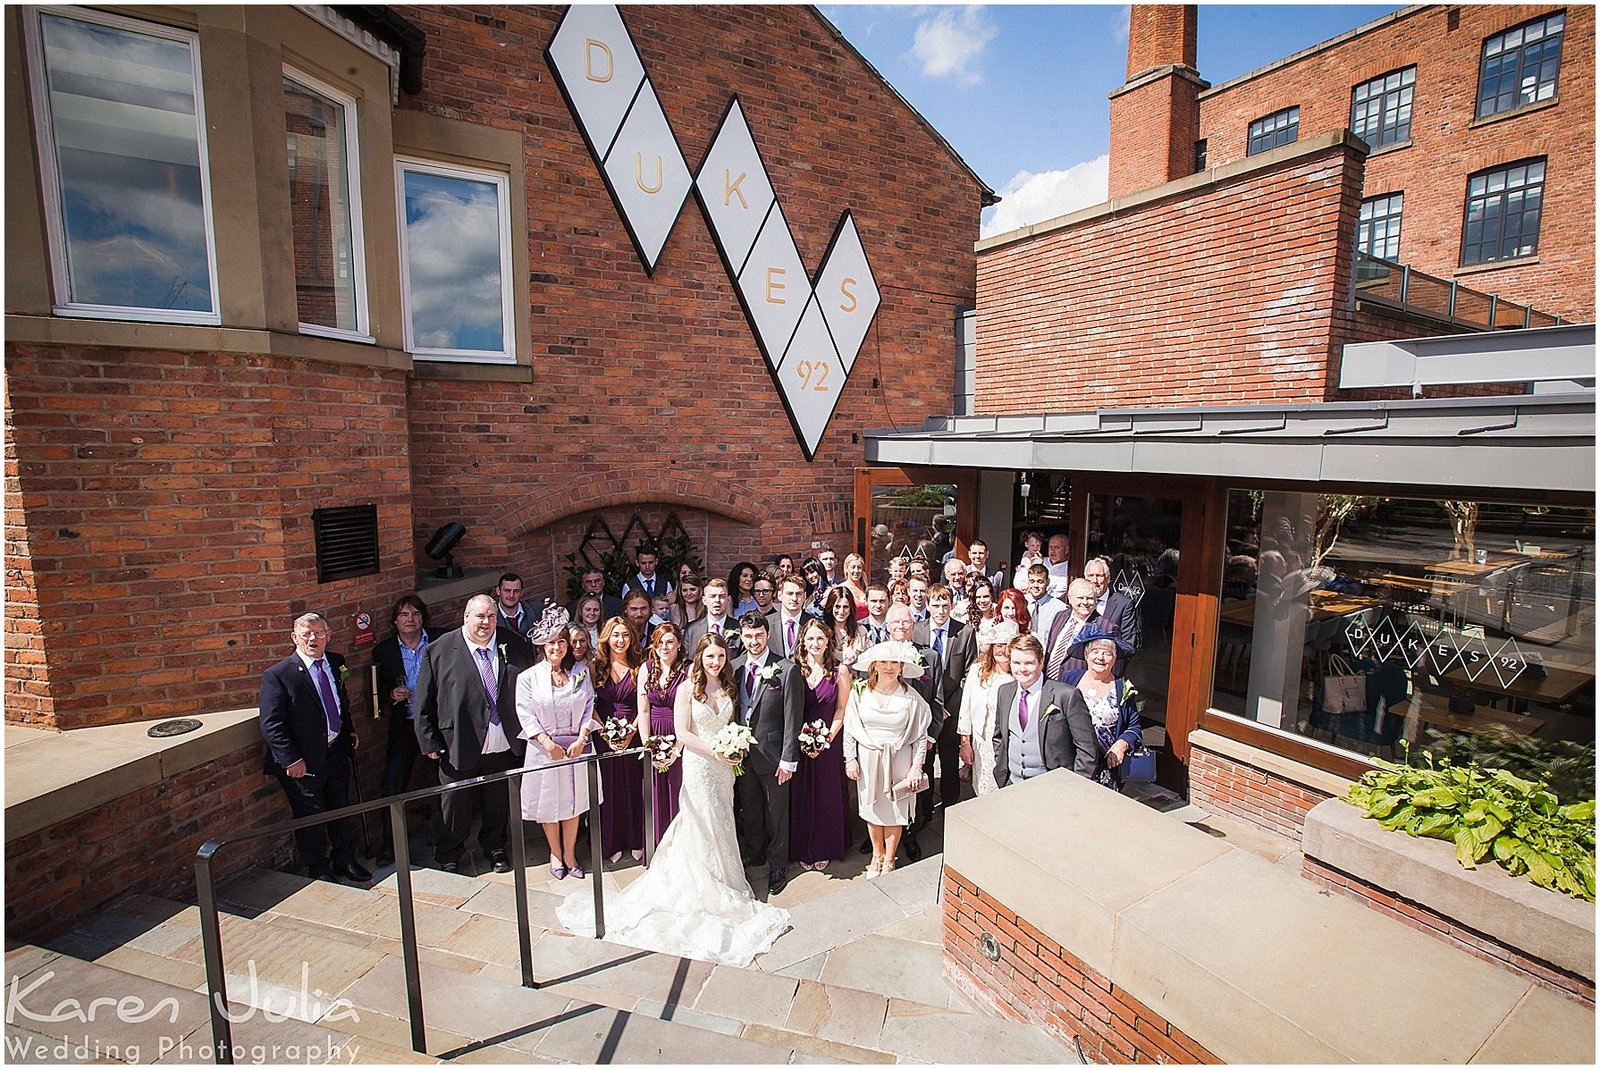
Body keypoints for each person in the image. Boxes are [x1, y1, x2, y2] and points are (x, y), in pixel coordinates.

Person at [556, 632, 790, 967]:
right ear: (699, 658)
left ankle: (724, 878)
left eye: (720, 657)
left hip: (724, 771)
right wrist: (718, 752)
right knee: (698, 820)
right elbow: (683, 733)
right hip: (699, 765)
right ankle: (700, 885)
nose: (715, 662)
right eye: (709, 657)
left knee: (721, 822)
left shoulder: (728, 688)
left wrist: (733, 749)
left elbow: (732, 723)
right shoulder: (686, 689)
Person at [414, 594, 533, 874]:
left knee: (498, 800)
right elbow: (424, 699)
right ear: (466, 617)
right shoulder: (440, 650)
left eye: (491, 616)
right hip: (459, 741)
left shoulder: (513, 643)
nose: (486, 622)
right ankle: (449, 852)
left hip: (503, 739)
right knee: (455, 803)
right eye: (480, 616)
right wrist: (428, 739)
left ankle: (495, 847)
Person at [258, 612, 368, 884]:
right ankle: (318, 868)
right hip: (303, 762)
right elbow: (271, 723)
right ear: (294, 638)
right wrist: (291, 760)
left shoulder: (336, 662)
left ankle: (345, 860)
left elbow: (339, 701)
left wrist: (348, 729)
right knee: (311, 816)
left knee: (340, 808)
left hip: (335, 751)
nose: (312, 639)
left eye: (318, 633)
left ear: (328, 635)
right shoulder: (278, 675)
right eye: (306, 634)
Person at [516, 607, 599, 880]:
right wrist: (546, 742)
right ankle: (555, 852)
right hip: (545, 751)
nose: (557, 647)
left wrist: (582, 738)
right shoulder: (528, 678)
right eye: (551, 642)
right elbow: (525, 713)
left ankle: (570, 852)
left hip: (576, 747)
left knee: (573, 802)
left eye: (561, 641)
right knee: (549, 804)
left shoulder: (581, 672)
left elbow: (589, 706)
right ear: (542, 645)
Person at [843, 640, 932, 880]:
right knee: (872, 810)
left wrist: (916, 767)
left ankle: (890, 858)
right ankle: (876, 855)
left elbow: (920, 735)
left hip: (899, 760)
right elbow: (850, 728)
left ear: (902, 666)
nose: (889, 667)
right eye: (883, 662)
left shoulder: (911, 698)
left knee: (895, 810)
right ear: (874, 665)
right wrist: (850, 759)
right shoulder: (860, 692)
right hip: (869, 760)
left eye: (894, 662)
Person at [731, 611, 805, 895]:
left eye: (758, 635)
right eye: (748, 636)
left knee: (777, 812)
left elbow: (792, 718)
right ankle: (756, 854)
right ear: (741, 636)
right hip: (742, 754)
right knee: (750, 808)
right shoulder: (736, 667)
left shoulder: (786, 669)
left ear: (768, 634)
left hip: (774, 755)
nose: (753, 641)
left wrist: (789, 758)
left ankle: (778, 863)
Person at [992, 634, 1096, 789]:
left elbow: (1087, 748)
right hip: (1011, 784)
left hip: (1054, 788)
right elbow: (999, 736)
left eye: (1029, 663)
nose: (1022, 669)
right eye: (1016, 663)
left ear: (1041, 662)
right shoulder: (1004, 692)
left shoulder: (1066, 695)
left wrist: (1075, 787)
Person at [372, 596, 430, 866]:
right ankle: (389, 843)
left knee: (442, 781)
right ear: (395, 621)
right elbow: (376, 691)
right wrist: (391, 694)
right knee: (393, 781)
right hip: (405, 724)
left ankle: (445, 841)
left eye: (416, 613)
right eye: (404, 614)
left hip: (434, 724)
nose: (410, 619)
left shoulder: (439, 641)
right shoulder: (384, 651)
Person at [788, 618, 850, 872]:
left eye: (820, 639)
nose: (815, 643)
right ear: (803, 640)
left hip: (827, 741)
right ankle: (802, 846)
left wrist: (827, 737)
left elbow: (842, 708)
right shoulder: (794, 669)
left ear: (828, 641)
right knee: (801, 795)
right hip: (799, 740)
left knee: (826, 794)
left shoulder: (839, 671)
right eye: (810, 638)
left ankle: (826, 845)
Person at [1061, 627, 1144, 791]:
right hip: (1072, 761)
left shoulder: (1122, 687)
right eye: (1095, 652)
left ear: (1114, 658)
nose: (1100, 657)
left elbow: (1134, 727)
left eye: (1107, 653)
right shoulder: (1069, 678)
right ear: (1086, 655)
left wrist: (1122, 743)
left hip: (1106, 767)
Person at [592, 616, 645, 865]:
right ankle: (612, 842)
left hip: (633, 733)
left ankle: (637, 840)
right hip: (604, 735)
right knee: (610, 789)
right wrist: (606, 733)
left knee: (634, 786)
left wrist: (631, 731)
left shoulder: (640, 665)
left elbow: (645, 704)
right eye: (615, 635)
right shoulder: (596, 666)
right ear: (607, 638)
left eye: (625, 635)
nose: (620, 640)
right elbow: (588, 704)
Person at [916, 584, 972, 814]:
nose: (941, 610)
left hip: (951, 706)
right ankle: (925, 806)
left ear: (952, 606)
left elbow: (968, 672)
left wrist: (950, 706)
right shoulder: (918, 631)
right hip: (925, 706)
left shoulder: (965, 632)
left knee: (949, 760)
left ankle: (950, 805)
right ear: (928, 605)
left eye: (945, 605)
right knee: (925, 758)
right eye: (936, 605)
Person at [637, 622, 687, 846]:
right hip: (655, 733)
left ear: (678, 644)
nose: (665, 647)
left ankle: (680, 846)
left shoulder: (689, 669)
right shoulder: (646, 668)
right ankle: (657, 843)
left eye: (670, 642)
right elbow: (644, 709)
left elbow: (693, 714)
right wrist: (649, 746)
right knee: (655, 791)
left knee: (679, 791)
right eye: (660, 643)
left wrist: (677, 748)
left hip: (681, 735)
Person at [957, 619, 1017, 798]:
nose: (1002, 650)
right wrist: (965, 743)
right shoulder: (978, 671)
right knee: (983, 791)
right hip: (981, 742)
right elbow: (965, 710)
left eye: (1007, 645)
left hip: (1007, 745)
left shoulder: (1018, 677)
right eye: (998, 645)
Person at [1042, 578, 1102, 681]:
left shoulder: (1103, 627)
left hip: (1076, 687)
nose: (1085, 602)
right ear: (1069, 598)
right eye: (1080, 598)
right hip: (1048, 683)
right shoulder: (1060, 616)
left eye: (1090, 598)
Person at [1082, 556, 1141, 650]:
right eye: (1090, 576)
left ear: (1108, 578)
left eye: (1098, 576)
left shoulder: (1124, 604)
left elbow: (1127, 645)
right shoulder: (1078, 601)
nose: (1094, 580)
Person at [684, 577, 741, 656]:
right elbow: (687, 659)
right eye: (712, 596)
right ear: (704, 600)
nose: (717, 600)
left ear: (728, 600)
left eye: (722, 596)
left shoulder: (739, 628)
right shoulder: (692, 629)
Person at [767, 574, 819, 660]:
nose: (794, 598)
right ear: (779, 595)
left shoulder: (813, 623)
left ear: (804, 596)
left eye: (799, 594)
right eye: (790, 593)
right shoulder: (767, 623)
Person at [823, 585, 868, 667]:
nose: (841, 611)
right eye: (837, 606)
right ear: (830, 607)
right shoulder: (823, 631)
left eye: (845, 607)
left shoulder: (860, 631)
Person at [1023, 563, 1062, 638]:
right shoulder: (1021, 602)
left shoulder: (1059, 608)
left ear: (1047, 582)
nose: (1035, 585)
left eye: (1040, 582)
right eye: (1032, 581)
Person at [494, 573, 532, 637]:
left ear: (521, 592)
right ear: (498, 591)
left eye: (516, 591)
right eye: (507, 590)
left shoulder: (537, 610)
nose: (511, 595)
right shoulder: (491, 617)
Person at [621, 590, 652, 657]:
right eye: (634, 609)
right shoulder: (618, 633)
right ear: (625, 609)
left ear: (650, 609)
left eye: (643, 608)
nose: (639, 614)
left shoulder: (657, 632)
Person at [838, 553, 869, 618]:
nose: (856, 571)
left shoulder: (867, 588)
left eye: (859, 567)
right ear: (846, 569)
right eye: (853, 567)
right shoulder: (841, 589)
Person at [1045, 534, 1072, 598]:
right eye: (1051, 547)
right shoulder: (1041, 561)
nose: (1052, 551)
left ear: (1066, 550)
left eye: (1056, 547)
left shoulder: (1070, 569)